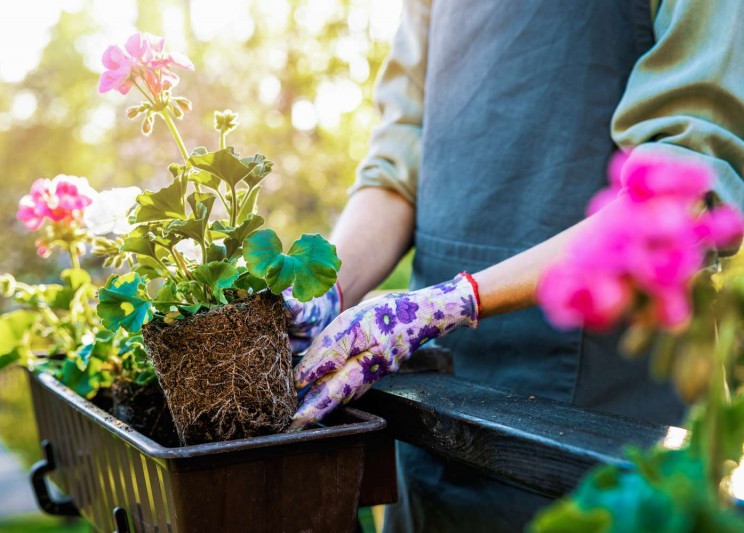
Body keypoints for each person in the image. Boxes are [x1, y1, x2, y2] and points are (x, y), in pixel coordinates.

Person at [285, 0, 744, 530]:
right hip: (432, 398)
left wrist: (454, 301)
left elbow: (680, 193)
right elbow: (397, 166)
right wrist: (327, 290)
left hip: (596, 416)